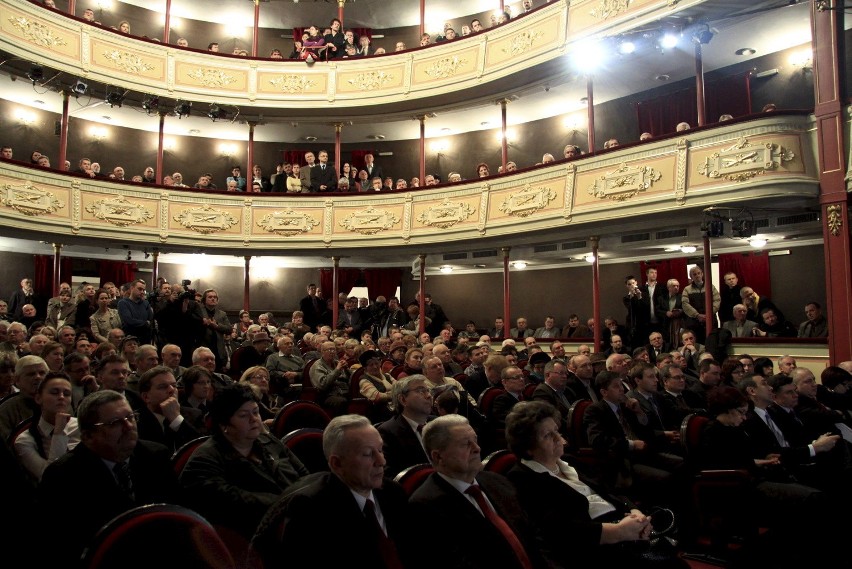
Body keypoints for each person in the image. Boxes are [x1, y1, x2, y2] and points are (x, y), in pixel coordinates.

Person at [505, 401, 686, 567]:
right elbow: (561, 532)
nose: (559, 438)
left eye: (556, 431)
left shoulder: (569, 461)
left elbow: (610, 492)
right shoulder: (522, 479)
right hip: (594, 548)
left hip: (622, 527)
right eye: (547, 435)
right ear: (527, 447)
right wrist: (619, 531)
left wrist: (635, 512)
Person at [252, 415, 415, 568]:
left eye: (380, 450)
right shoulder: (311, 511)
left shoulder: (393, 492)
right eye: (367, 454)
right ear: (337, 463)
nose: (381, 461)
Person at [39, 390, 179, 565]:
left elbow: (175, 512)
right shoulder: (63, 475)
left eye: (130, 417)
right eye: (115, 423)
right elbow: (60, 544)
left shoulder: (156, 455)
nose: (129, 427)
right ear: (88, 436)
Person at [408, 414, 547, 569]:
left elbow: (533, 536)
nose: (477, 448)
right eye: (466, 444)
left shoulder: (497, 482)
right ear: (439, 456)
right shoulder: (426, 507)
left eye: (475, 440)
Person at [179, 384, 309, 540]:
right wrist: (289, 504)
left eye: (255, 412)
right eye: (243, 415)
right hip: (251, 535)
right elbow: (236, 502)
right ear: (224, 425)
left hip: (296, 520)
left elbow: (304, 474)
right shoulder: (205, 459)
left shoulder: (269, 441)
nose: (254, 419)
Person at [13, 373, 80, 481]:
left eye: (67, 394)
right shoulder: (25, 440)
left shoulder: (82, 426)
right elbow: (51, 479)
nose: (62, 397)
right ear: (38, 398)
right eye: (54, 392)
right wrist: (58, 433)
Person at [377, 374, 433, 477]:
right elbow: (392, 476)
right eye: (421, 391)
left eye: (428, 390)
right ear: (403, 399)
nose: (429, 396)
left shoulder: (437, 423)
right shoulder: (388, 432)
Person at [358, 349, 395, 421]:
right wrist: (394, 394)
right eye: (371, 365)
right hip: (378, 413)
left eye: (376, 363)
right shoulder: (364, 380)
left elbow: (400, 387)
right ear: (365, 368)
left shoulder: (387, 376)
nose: (375, 367)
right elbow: (376, 397)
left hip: (393, 407)